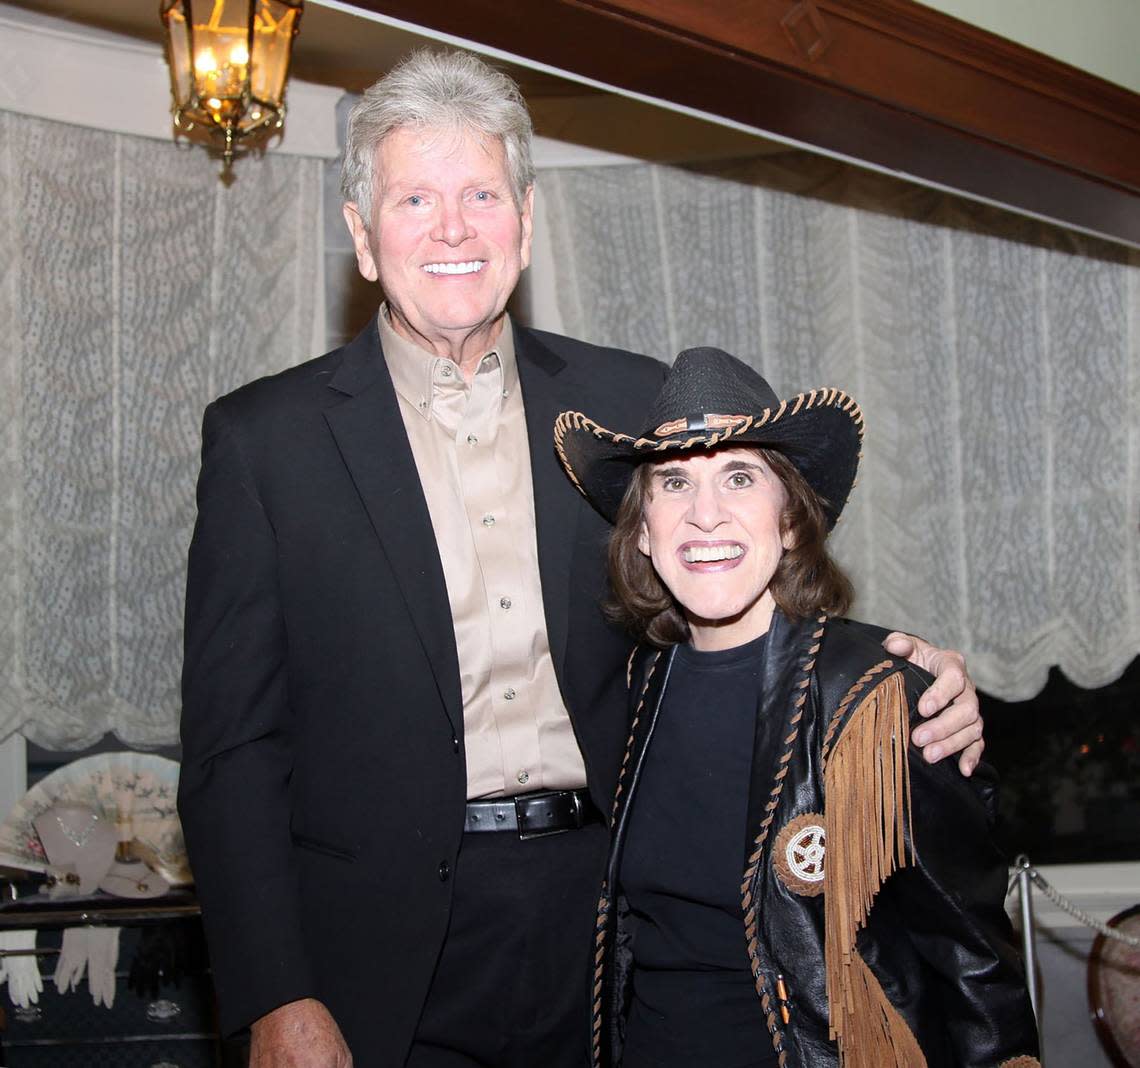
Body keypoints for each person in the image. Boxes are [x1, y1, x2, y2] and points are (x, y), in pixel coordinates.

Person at [178, 50, 985, 1068]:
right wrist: (276, 993)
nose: (454, 227)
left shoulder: (624, 407)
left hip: (613, 922)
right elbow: (230, 754)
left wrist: (907, 687)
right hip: (372, 951)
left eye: (481, 193)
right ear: (361, 237)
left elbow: (734, 582)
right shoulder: (267, 440)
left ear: (525, 217)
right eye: (415, 197)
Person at [554, 346, 1039, 1068]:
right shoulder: (629, 694)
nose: (706, 514)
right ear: (645, 533)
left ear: (790, 523)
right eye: (675, 483)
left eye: (740, 477)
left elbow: (968, 960)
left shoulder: (878, 697)